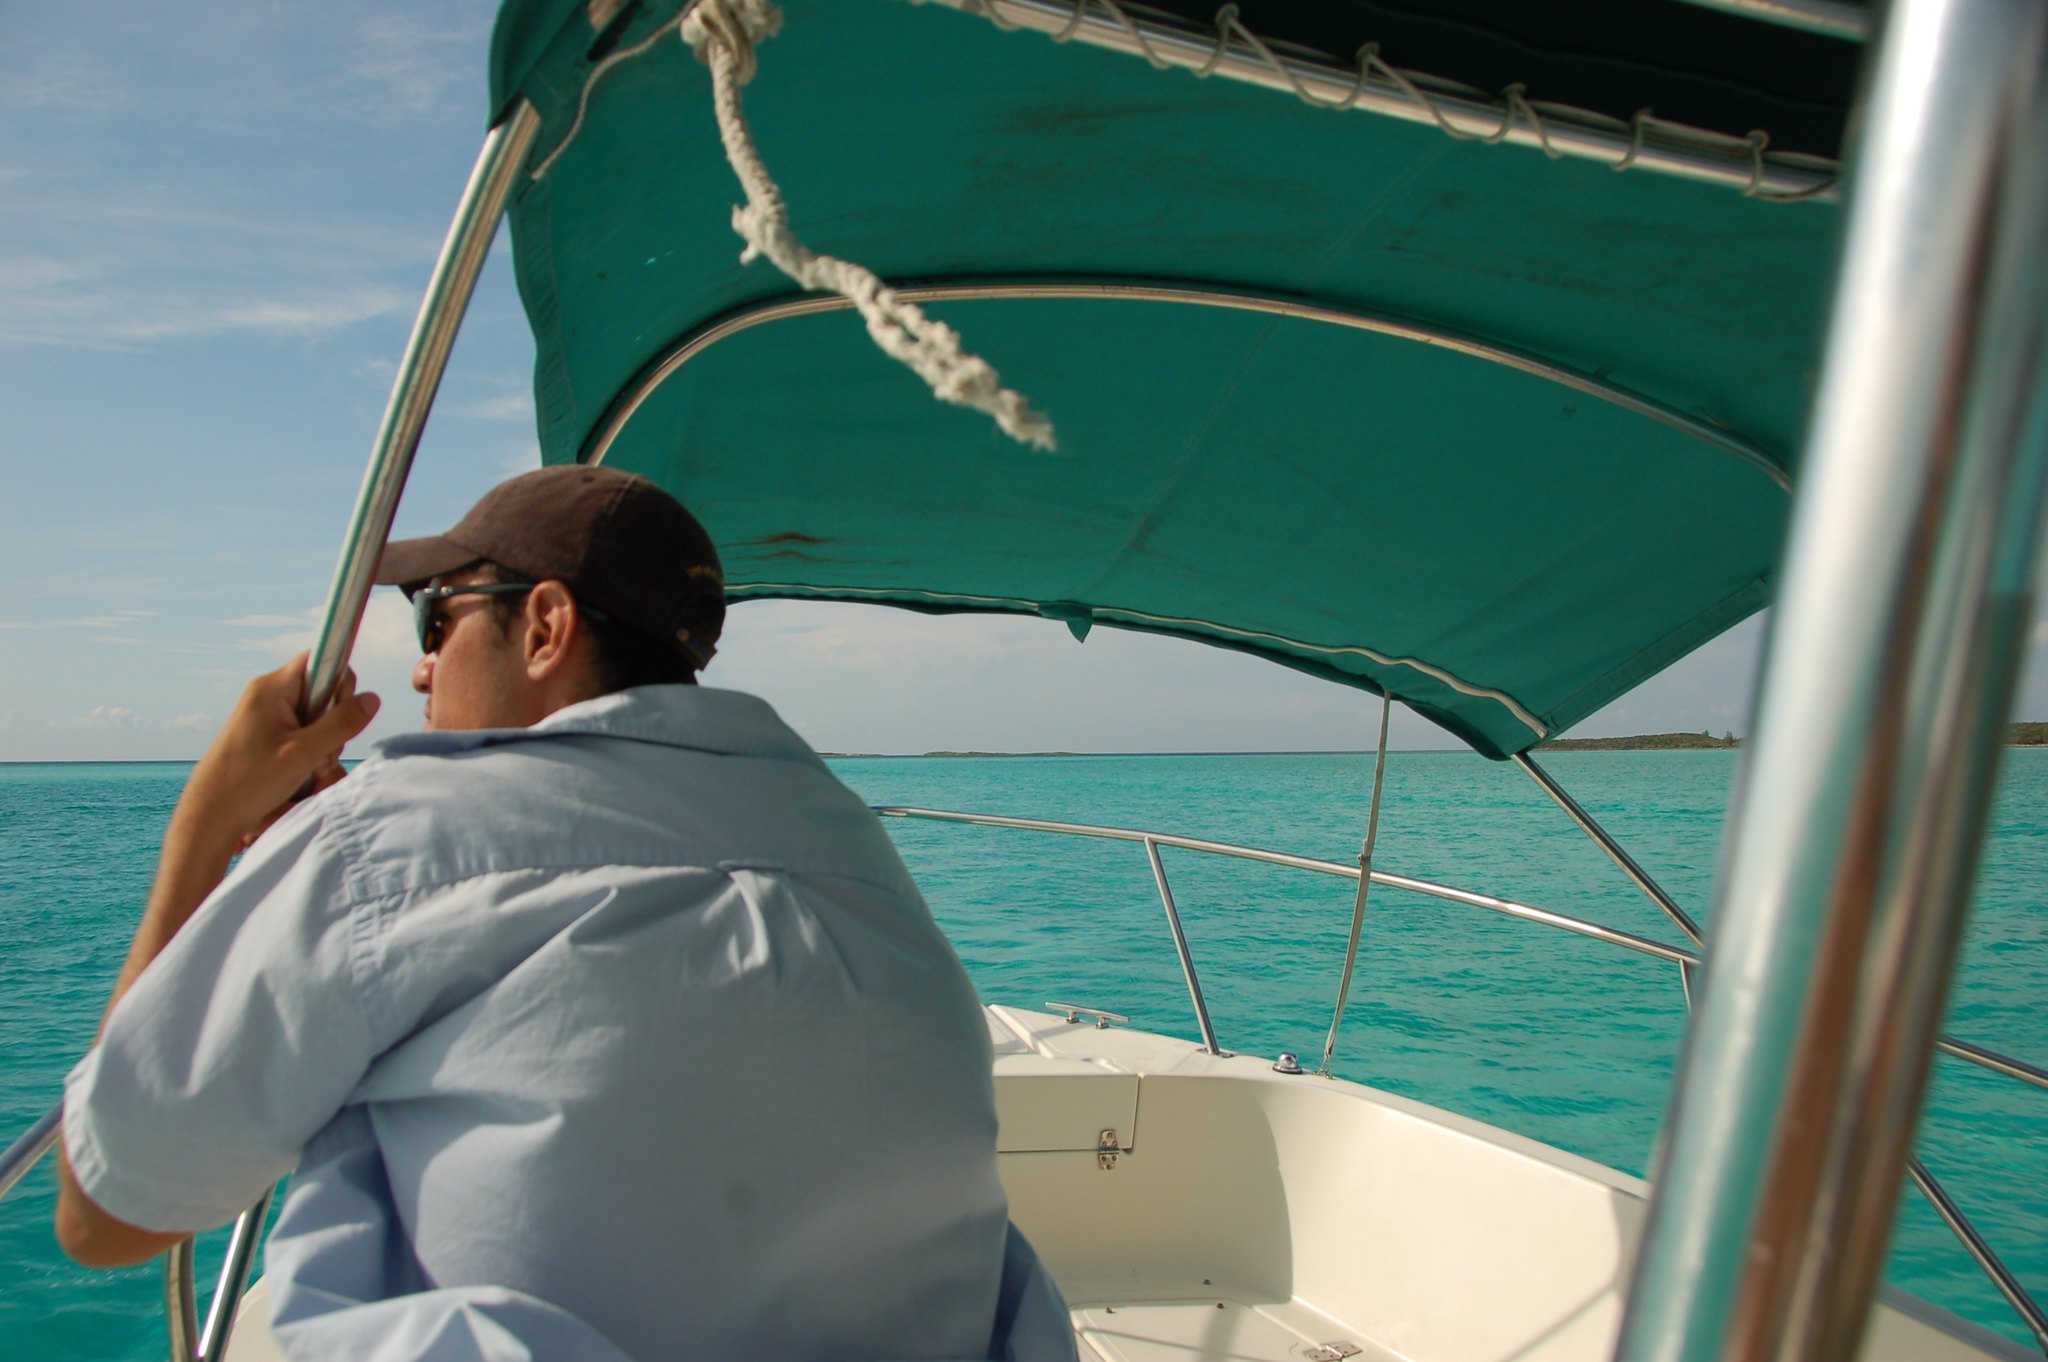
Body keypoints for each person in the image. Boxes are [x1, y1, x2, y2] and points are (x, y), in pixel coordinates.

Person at [55, 466, 1073, 1362]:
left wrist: (201, 834)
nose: (419, 666)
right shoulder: (850, 849)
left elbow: (109, 1212)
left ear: (543, 626)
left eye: (437, 618)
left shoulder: (382, 840)